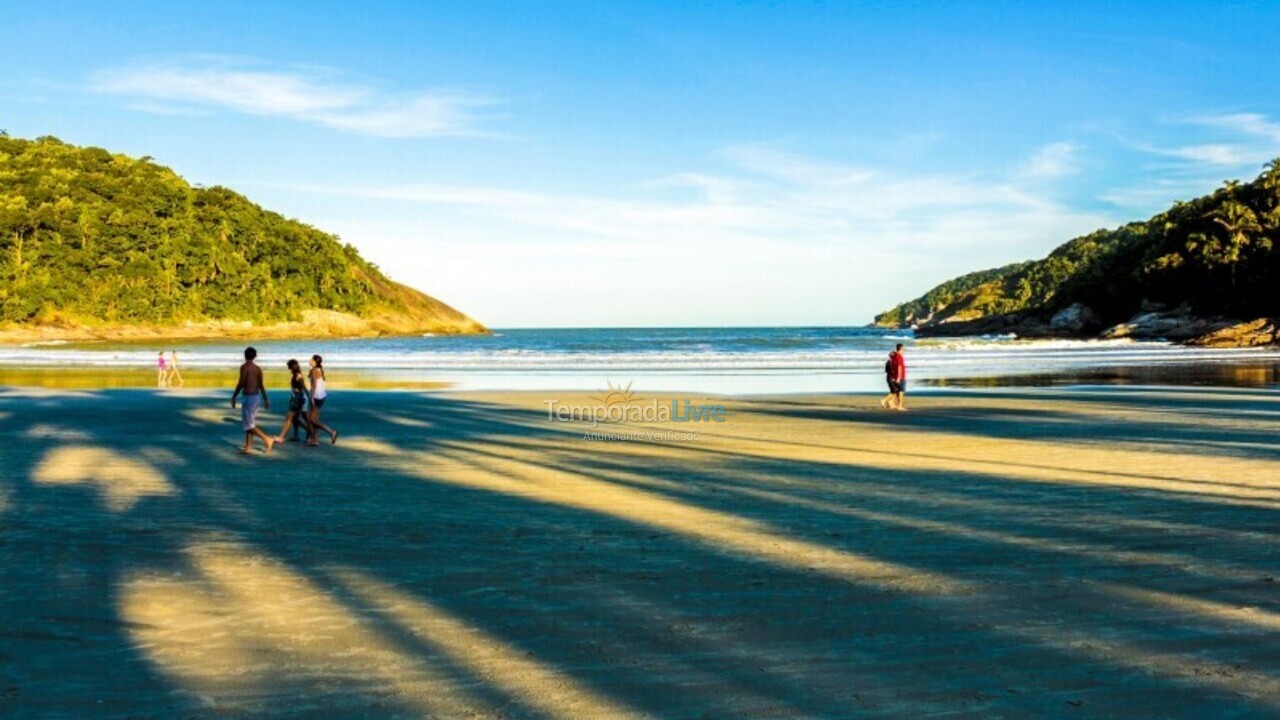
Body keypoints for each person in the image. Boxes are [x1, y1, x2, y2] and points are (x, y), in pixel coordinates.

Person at [231, 346, 274, 454]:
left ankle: (267, 439)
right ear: (255, 356)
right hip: (256, 397)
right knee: (249, 422)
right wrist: (265, 399)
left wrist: (234, 396)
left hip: (248, 397)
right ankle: (248, 447)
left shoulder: (244, 367)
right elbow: (261, 385)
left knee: (249, 424)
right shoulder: (258, 368)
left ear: (245, 356)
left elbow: (241, 383)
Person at [274, 359, 313, 443]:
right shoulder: (296, 375)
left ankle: (281, 437)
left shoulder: (298, 376)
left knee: (290, 418)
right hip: (298, 398)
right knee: (296, 419)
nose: (288, 369)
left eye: (289, 367)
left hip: (299, 398)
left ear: (292, 367)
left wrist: (309, 399)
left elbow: (303, 388)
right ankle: (299, 435)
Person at [306, 354, 338, 446]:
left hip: (316, 396)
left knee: (312, 419)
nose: (309, 360)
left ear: (315, 361)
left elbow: (314, 385)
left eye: (311, 359)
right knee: (314, 419)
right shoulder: (319, 369)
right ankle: (314, 439)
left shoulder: (314, 370)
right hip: (321, 396)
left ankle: (331, 432)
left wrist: (311, 397)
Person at [880, 343, 907, 411]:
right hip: (899, 376)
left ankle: (890, 402)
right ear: (900, 349)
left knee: (896, 391)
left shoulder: (894, 356)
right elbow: (899, 367)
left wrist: (893, 352)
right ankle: (899, 406)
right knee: (901, 391)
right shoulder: (899, 357)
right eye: (903, 349)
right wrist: (898, 377)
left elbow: (890, 356)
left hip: (894, 376)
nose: (904, 351)